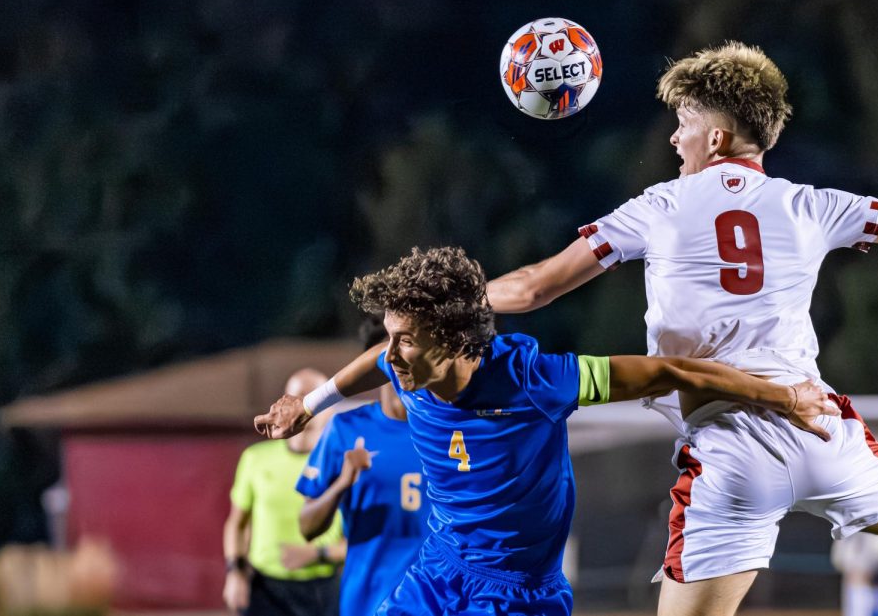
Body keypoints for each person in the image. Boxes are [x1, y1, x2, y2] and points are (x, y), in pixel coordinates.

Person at [484, 41, 878, 616]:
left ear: (716, 137)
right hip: (819, 427)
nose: (673, 136)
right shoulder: (811, 204)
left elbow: (535, 286)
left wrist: (446, 304)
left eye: (684, 123)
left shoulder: (658, 206)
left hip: (729, 450)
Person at [253, 246, 838, 616]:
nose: (392, 355)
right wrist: (309, 404)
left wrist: (784, 395)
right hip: (438, 572)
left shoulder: (536, 379)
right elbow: (369, 363)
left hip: (519, 593)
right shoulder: (406, 365)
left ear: (456, 340)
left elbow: (669, 371)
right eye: (390, 335)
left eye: (405, 338)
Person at [295, 318, 429, 616]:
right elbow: (307, 526)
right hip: (369, 602)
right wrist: (343, 483)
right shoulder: (345, 430)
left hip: (440, 602)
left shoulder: (448, 429)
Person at [223, 368, 344, 616]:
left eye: (315, 397)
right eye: (298, 397)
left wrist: (317, 553)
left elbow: (366, 539)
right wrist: (235, 572)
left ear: (329, 407)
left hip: (320, 591)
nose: (306, 406)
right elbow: (237, 523)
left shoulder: (344, 464)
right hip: (264, 588)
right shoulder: (255, 458)